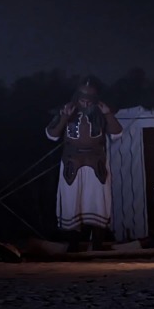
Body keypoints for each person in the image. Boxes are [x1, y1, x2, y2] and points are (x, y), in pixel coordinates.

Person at [45, 77, 124, 249]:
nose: (86, 103)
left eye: (89, 100)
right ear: (76, 98)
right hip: (72, 163)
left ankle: (97, 244)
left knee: (98, 202)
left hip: (97, 164)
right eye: (82, 99)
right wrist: (64, 117)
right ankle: (73, 245)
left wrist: (107, 114)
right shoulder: (66, 110)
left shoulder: (101, 113)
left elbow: (117, 133)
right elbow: (52, 135)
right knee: (72, 202)